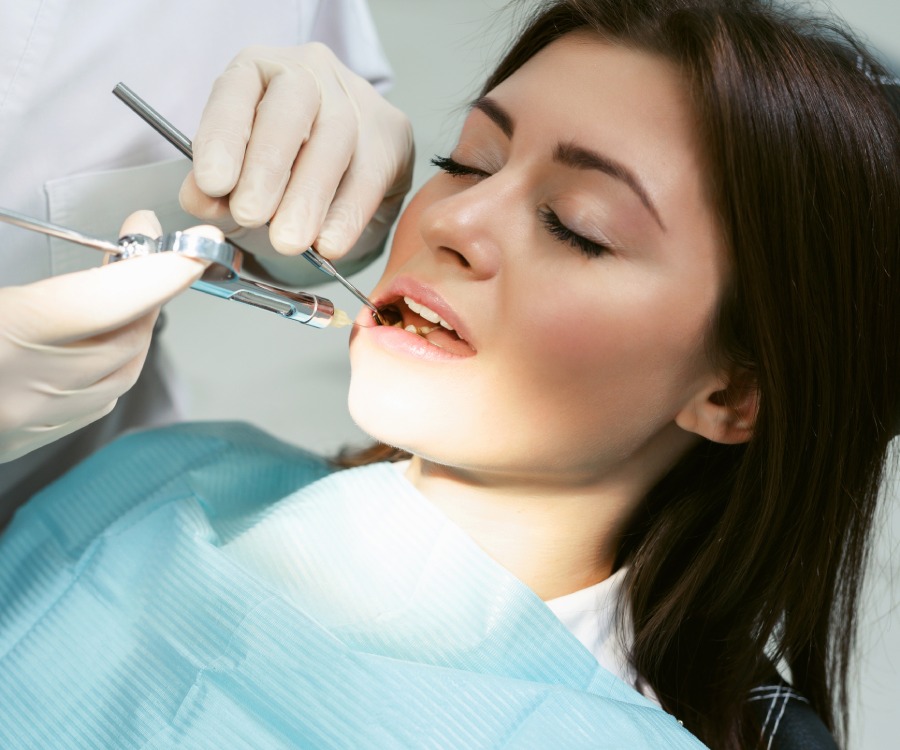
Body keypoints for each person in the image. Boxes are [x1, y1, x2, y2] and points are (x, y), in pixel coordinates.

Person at [1, 0, 898, 747]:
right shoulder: (162, 481)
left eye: (578, 226)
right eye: (465, 160)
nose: (455, 220)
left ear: (735, 393)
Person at [0, 0, 412, 523]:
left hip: (81, 489)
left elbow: (310, 187)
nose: (458, 224)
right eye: (466, 169)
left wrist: (321, 227)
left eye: (554, 223)